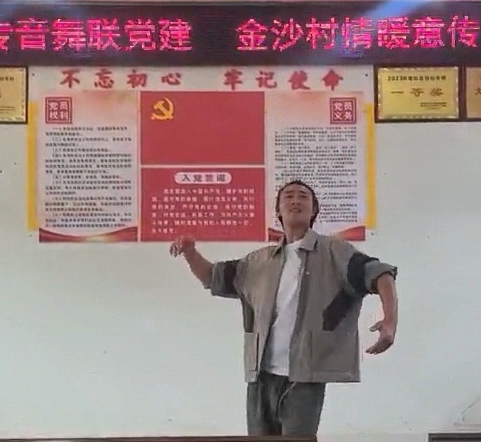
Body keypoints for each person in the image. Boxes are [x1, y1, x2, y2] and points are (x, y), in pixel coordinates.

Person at [169, 179, 398, 436]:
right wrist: (190, 252)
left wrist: (390, 322)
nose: (296, 200)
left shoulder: (335, 251)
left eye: (303, 196)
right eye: (288, 196)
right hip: (261, 376)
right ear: (278, 210)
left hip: (304, 376)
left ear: (314, 211)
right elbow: (213, 278)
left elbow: (380, 273)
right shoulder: (259, 261)